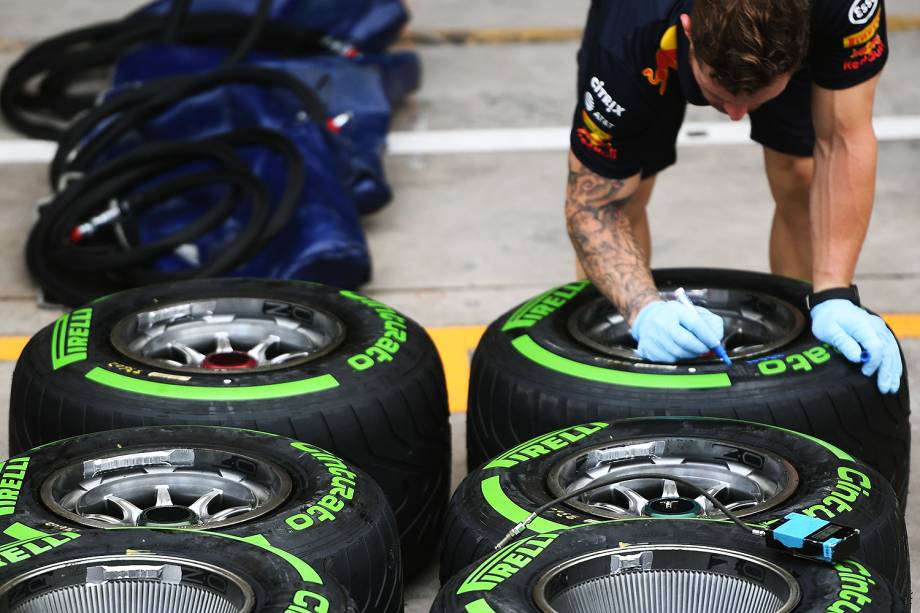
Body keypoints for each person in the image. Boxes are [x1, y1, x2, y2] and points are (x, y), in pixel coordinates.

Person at [566, 0, 901, 393]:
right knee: (626, 190)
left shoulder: (842, 8)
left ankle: (804, 361)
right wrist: (643, 310)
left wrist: (835, 293)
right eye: (719, 93)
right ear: (688, 31)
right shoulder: (627, 35)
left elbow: (843, 139)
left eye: (753, 98)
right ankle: (620, 355)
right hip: (650, 28)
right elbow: (594, 205)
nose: (736, 113)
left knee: (800, 174)